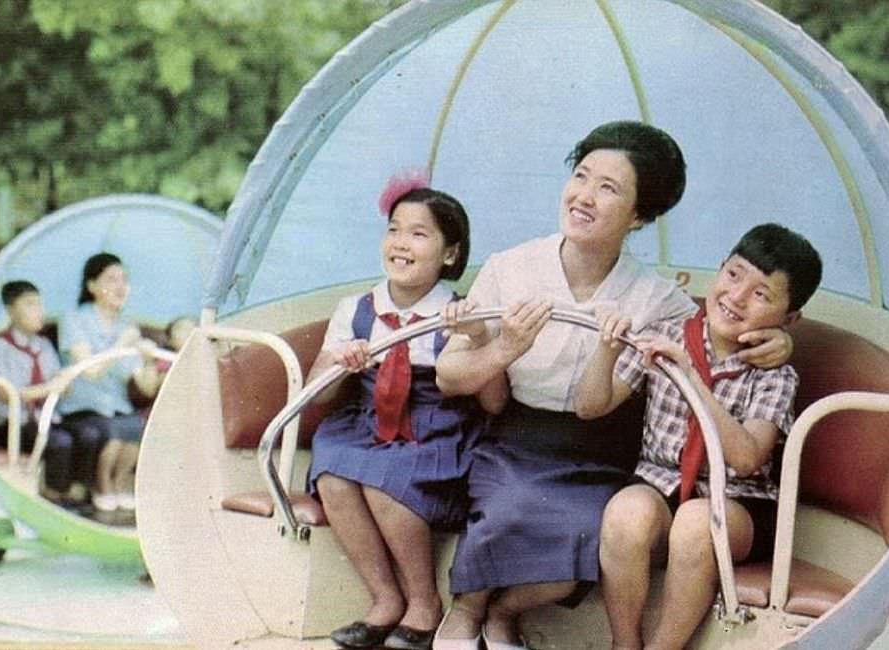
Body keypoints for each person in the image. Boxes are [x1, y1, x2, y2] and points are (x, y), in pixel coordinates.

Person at [433, 121, 793, 650]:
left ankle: (505, 611)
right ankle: (465, 614)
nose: (585, 196)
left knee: (590, 540)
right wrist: (506, 348)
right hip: (516, 438)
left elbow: (708, 333)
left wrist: (783, 344)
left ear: (640, 216)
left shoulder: (655, 297)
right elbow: (449, 376)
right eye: (582, 176)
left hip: (602, 450)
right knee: (509, 510)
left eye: (609, 188)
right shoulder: (512, 267)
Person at [574, 223, 822, 650]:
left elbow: (747, 458)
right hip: (660, 482)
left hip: (740, 502)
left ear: (789, 318)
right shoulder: (669, 333)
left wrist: (690, 377)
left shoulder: (776, 376)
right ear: (720, 268)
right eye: (734, 275)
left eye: (761, 294)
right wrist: (607, 350)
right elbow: (590, 406)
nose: (737, 297)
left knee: (694, 524)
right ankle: (624, 642)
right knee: (626, 512)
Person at [307, 170, 495, 650]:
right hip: (367, 421)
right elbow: (314, 394)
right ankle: (385, 598)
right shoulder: (357, 310)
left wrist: (476, 337)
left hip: (436, 429)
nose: (400, 242)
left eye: (419, 232)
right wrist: (338, 362)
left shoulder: (459, 312)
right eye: (394, 229)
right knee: (332, 473)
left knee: (386, 478)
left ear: (450, 253)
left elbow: (494, 401)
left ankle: (424, 601)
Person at [57, 253, 161, 514]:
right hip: (80, 408)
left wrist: (148, 361)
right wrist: (122, 344)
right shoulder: (75, 319)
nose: (120, 286)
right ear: (91, 286)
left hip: (117, 408)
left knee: (137, 427)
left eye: (124, 279)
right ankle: (102, 483)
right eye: (111, 279)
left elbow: (146, 387)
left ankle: (120, 481)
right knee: (113, 432)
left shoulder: (127, 326)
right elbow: (90, 371)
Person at [0, 280, 88, 509]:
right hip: (10, 423)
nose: (39, 311)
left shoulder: (43, 345)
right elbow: (4, 394)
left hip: (43, 417)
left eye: (39, 304)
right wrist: (48, 388)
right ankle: (52, 497)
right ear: (11, 310)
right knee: (60, 441)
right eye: (30, 304)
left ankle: (73, 491)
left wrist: (63, 382)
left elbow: (57, 380)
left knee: (87, 433)